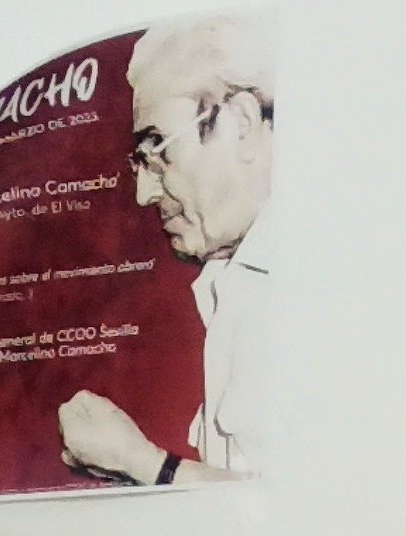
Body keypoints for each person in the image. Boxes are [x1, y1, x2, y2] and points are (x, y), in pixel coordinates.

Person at [58, 13, 272, 486]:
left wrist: (146, 464)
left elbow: (309, 521)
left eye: (157, 152)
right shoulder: (234, 284)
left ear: (241, 124)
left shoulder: (325, 285)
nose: (143, 193)